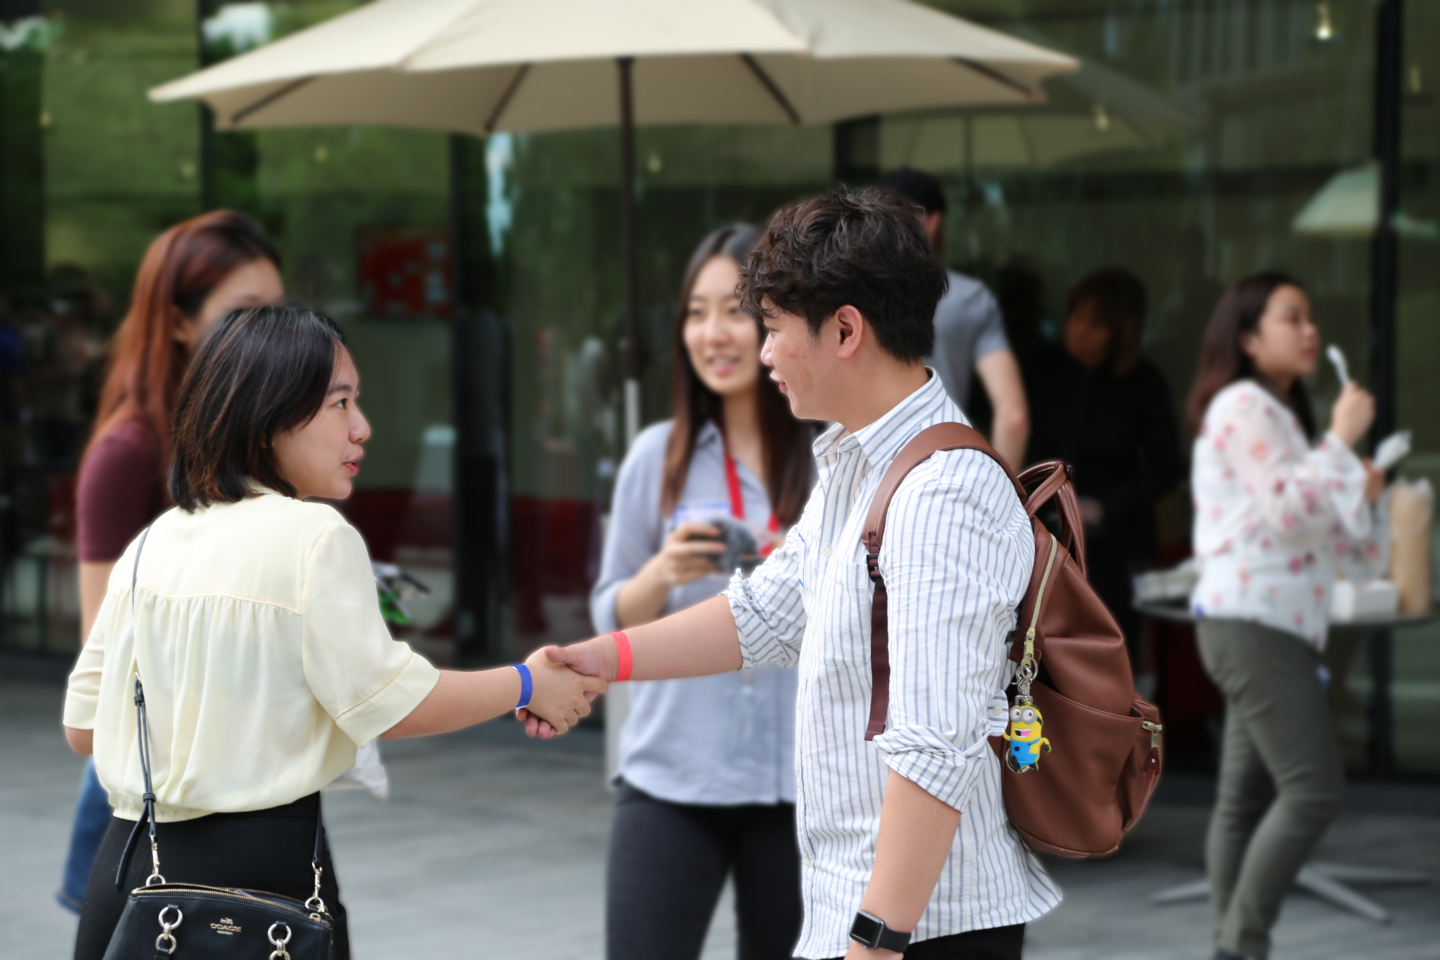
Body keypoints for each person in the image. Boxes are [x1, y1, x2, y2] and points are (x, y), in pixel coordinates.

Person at [527, 190, 1060, 960]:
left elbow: (936, 748)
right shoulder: (857, 462)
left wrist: (873, 945)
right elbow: (766, 613)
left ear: (846, 329)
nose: (763, 351)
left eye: (772, 329)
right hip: (865, 911)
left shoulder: (941, 491)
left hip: (924, 928)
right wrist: (601, 660)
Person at [62, 305, 604, 960]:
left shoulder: (153, 542)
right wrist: (525, 682)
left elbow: (84, 730)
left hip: (126, 877)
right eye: (339, 404)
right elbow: (391, 705)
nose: (362, 428)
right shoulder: (312, 536)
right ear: (267, 416)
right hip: (257, 883)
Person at [56, 210, 286, 914]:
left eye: (277, 313)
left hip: (258, 778)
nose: (268, 337)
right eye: (243, 314)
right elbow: (106, 667)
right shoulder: (127, 454)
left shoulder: (259, 439)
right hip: (153, 797)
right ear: (180, 322)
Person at [593, 224, 813, 960]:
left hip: (802, 789)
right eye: (695, 311)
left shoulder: (831, 456)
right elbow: (611, 615)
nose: (713, 332)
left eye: (736, 309)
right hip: (673, 774)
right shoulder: (655, 456)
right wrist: (661, 574)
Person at [1185, 273, 1384, 960]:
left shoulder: (1274, 413)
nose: (1310, 332)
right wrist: (1339, 441)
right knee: (1314, 790)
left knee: (1242, 800)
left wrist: (1356, 483)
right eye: (1291, 318)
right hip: (1254, 625)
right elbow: (1291, 510)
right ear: (1246, 337)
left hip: (1266, 623)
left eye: (1311, 319)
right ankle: (1240, 945)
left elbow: (1324, 535)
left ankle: (1231, 946)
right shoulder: (1245, 406)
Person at [1022, 268, 1185, 667]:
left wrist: (1106, 506)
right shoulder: (1043, 370)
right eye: (1076, 315)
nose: (1078, 330)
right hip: (1045, 537)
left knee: (1106, 658)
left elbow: (1167, 468)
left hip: (1114, 545)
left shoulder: (1144, 385)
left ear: (1120, 333)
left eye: (1096, 324)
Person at [875, 167, 1029, 470]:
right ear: (933, 221)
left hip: (852, 480)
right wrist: (1001, 500)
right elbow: (1014, 416)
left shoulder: (841, 293)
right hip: (939, 475)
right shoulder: (970, 298)